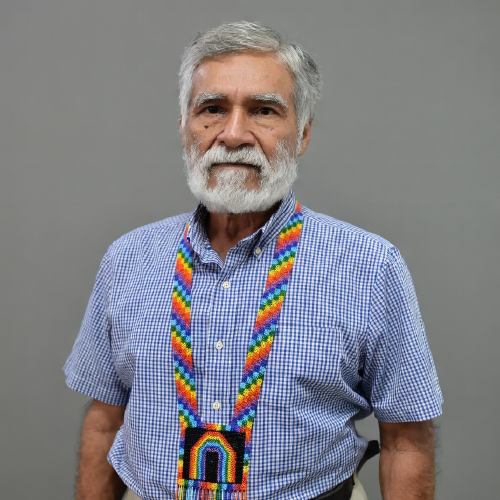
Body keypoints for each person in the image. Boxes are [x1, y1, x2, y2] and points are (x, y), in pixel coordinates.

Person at [64, 21, 443, 500]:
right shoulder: (127, 259)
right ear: (184, 127)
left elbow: (406, 438)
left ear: (302, 133)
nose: (233, 134)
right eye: (212, 109)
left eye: (264, 110)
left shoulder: (370, 267)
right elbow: (105, 421)